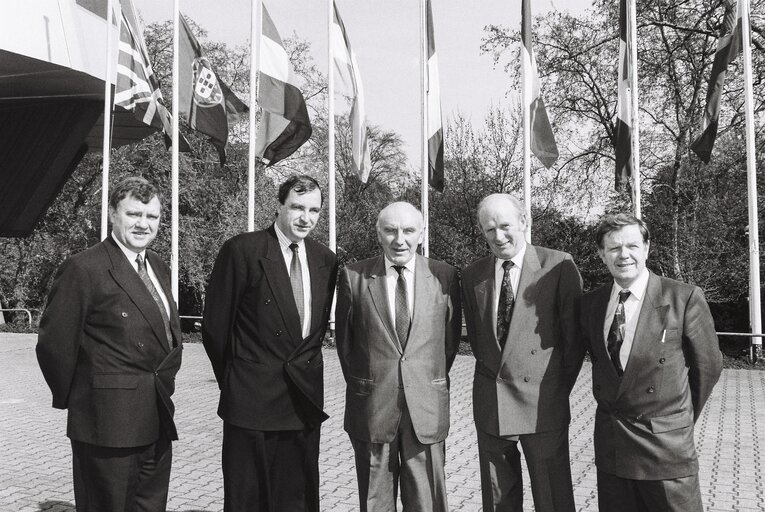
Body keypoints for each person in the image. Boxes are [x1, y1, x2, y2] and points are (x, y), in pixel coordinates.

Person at [36, 176, 183, 512]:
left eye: (152, 217)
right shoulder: (84, 268)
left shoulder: (157, 265)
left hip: (156, 416)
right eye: (134, 214)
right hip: (106, 427)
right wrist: (85, 398)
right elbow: (53, 346)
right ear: (113, 215)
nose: (143, 224)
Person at [202, 175, 338, 512]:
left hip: (302, 402)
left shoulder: (326, 260)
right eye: (296, 207)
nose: (305, 217)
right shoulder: (243, 250)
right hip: (251, 402)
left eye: (314, 210)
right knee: (247, 499)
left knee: (295, 500)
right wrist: (238, 380)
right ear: (279, 206)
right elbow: (216, 329)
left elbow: (314, 333)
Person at [580, 213, 723, 511]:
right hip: (613, 450)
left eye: (632, 245)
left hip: (666, 451)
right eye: (614, 248)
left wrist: (674, 420)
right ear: (601, 254)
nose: (624, 255)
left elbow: (707, 368)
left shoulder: (683, 298)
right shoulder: (590, 304)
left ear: (646, 248)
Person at [335, 201, 461, 512]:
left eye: (408, 230)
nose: (399, 239)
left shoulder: (445, 276)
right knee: (375, 501)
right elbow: (345, 345)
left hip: (426, 407)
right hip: (373, 407)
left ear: (421, 233)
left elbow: (449, 343)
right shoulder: (353, 277)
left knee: (427, 501)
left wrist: (422, 378)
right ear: (378, 234)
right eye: (390, 231)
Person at [462, 193, 583, 512]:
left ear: (524, 222)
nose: (498, 236)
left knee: (553, 498)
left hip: (543, 404)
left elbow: (573, 343)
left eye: (505, 226)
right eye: (489, 229)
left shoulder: (558, 265)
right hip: (492, 405)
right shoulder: (472, 274)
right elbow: (479, 340)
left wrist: (554, 390)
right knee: (499, 499)